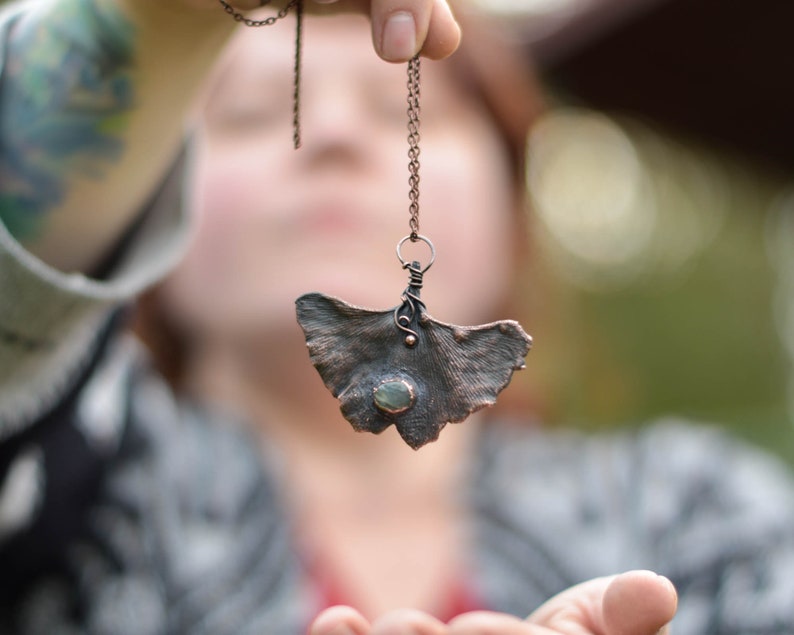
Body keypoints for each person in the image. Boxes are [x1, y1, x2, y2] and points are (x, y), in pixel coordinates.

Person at [0, 1, 791, 634]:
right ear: (150, 206)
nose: (337, 138)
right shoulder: (62, 486)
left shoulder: (699, 512)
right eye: (247, 114)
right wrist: (147, 18)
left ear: (510, 208)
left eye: (403, 109)